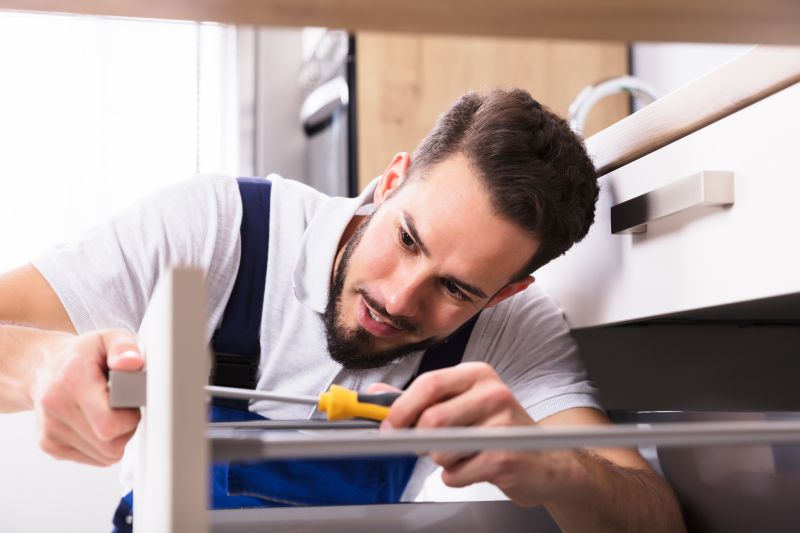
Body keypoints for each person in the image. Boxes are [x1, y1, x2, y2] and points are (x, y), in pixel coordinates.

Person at [0, 88, 685, 531]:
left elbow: (656, 517)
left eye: (456, 289)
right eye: (407, 239)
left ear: (505, 293)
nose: (398, 298)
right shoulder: (216, 227)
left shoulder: (514, 328)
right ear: (390, 182)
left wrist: (551, 464)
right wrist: (41, 365)